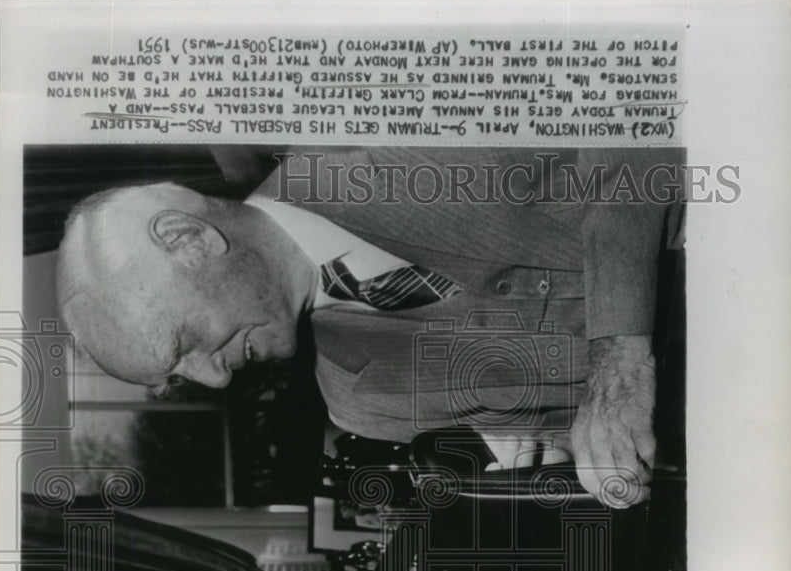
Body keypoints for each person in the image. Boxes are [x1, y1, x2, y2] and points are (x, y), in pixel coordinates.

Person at [56, 147, 684, 505]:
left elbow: (631, 114)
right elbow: (613, 446)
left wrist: (620, 352)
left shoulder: (360, 131)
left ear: (187, 237)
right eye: (178, 378)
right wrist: (565, 468)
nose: (214, 380)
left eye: (181, 345)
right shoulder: (360, 403)